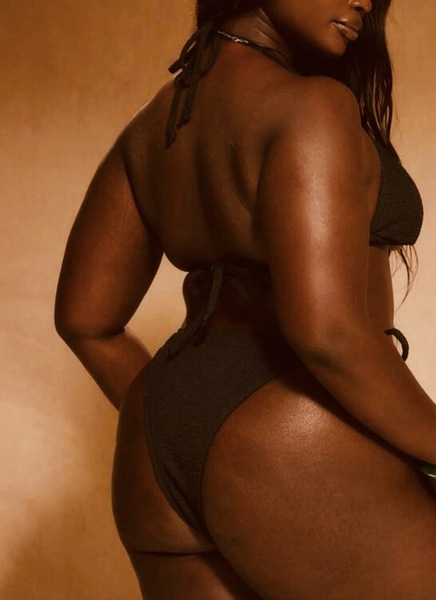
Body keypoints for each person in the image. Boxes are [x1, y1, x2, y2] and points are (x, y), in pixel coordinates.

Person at [55, 0, 436, 598]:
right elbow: (328, 334)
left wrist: (188, 413)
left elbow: (85, 321)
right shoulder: (312, 106)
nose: (365, 0)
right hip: (289, 436)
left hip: (150, 449)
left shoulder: (154, 125)